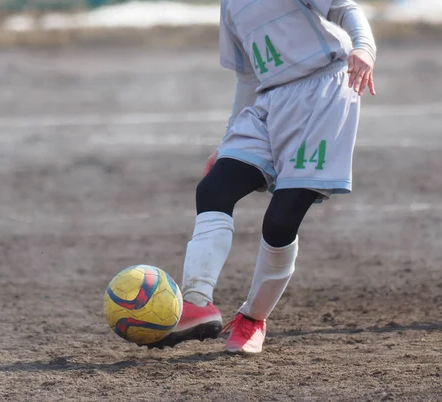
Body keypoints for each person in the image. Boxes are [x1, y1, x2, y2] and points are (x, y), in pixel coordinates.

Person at [146, 0, 377, 354]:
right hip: (270, 101)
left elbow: (346, 9)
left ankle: (252, 319)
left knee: (281, 221)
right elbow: (248, 76)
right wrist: (227, 144)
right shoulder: (231, 6)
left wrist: (364, 47)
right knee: (214, 189)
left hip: (324, 92)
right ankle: (196, 304)